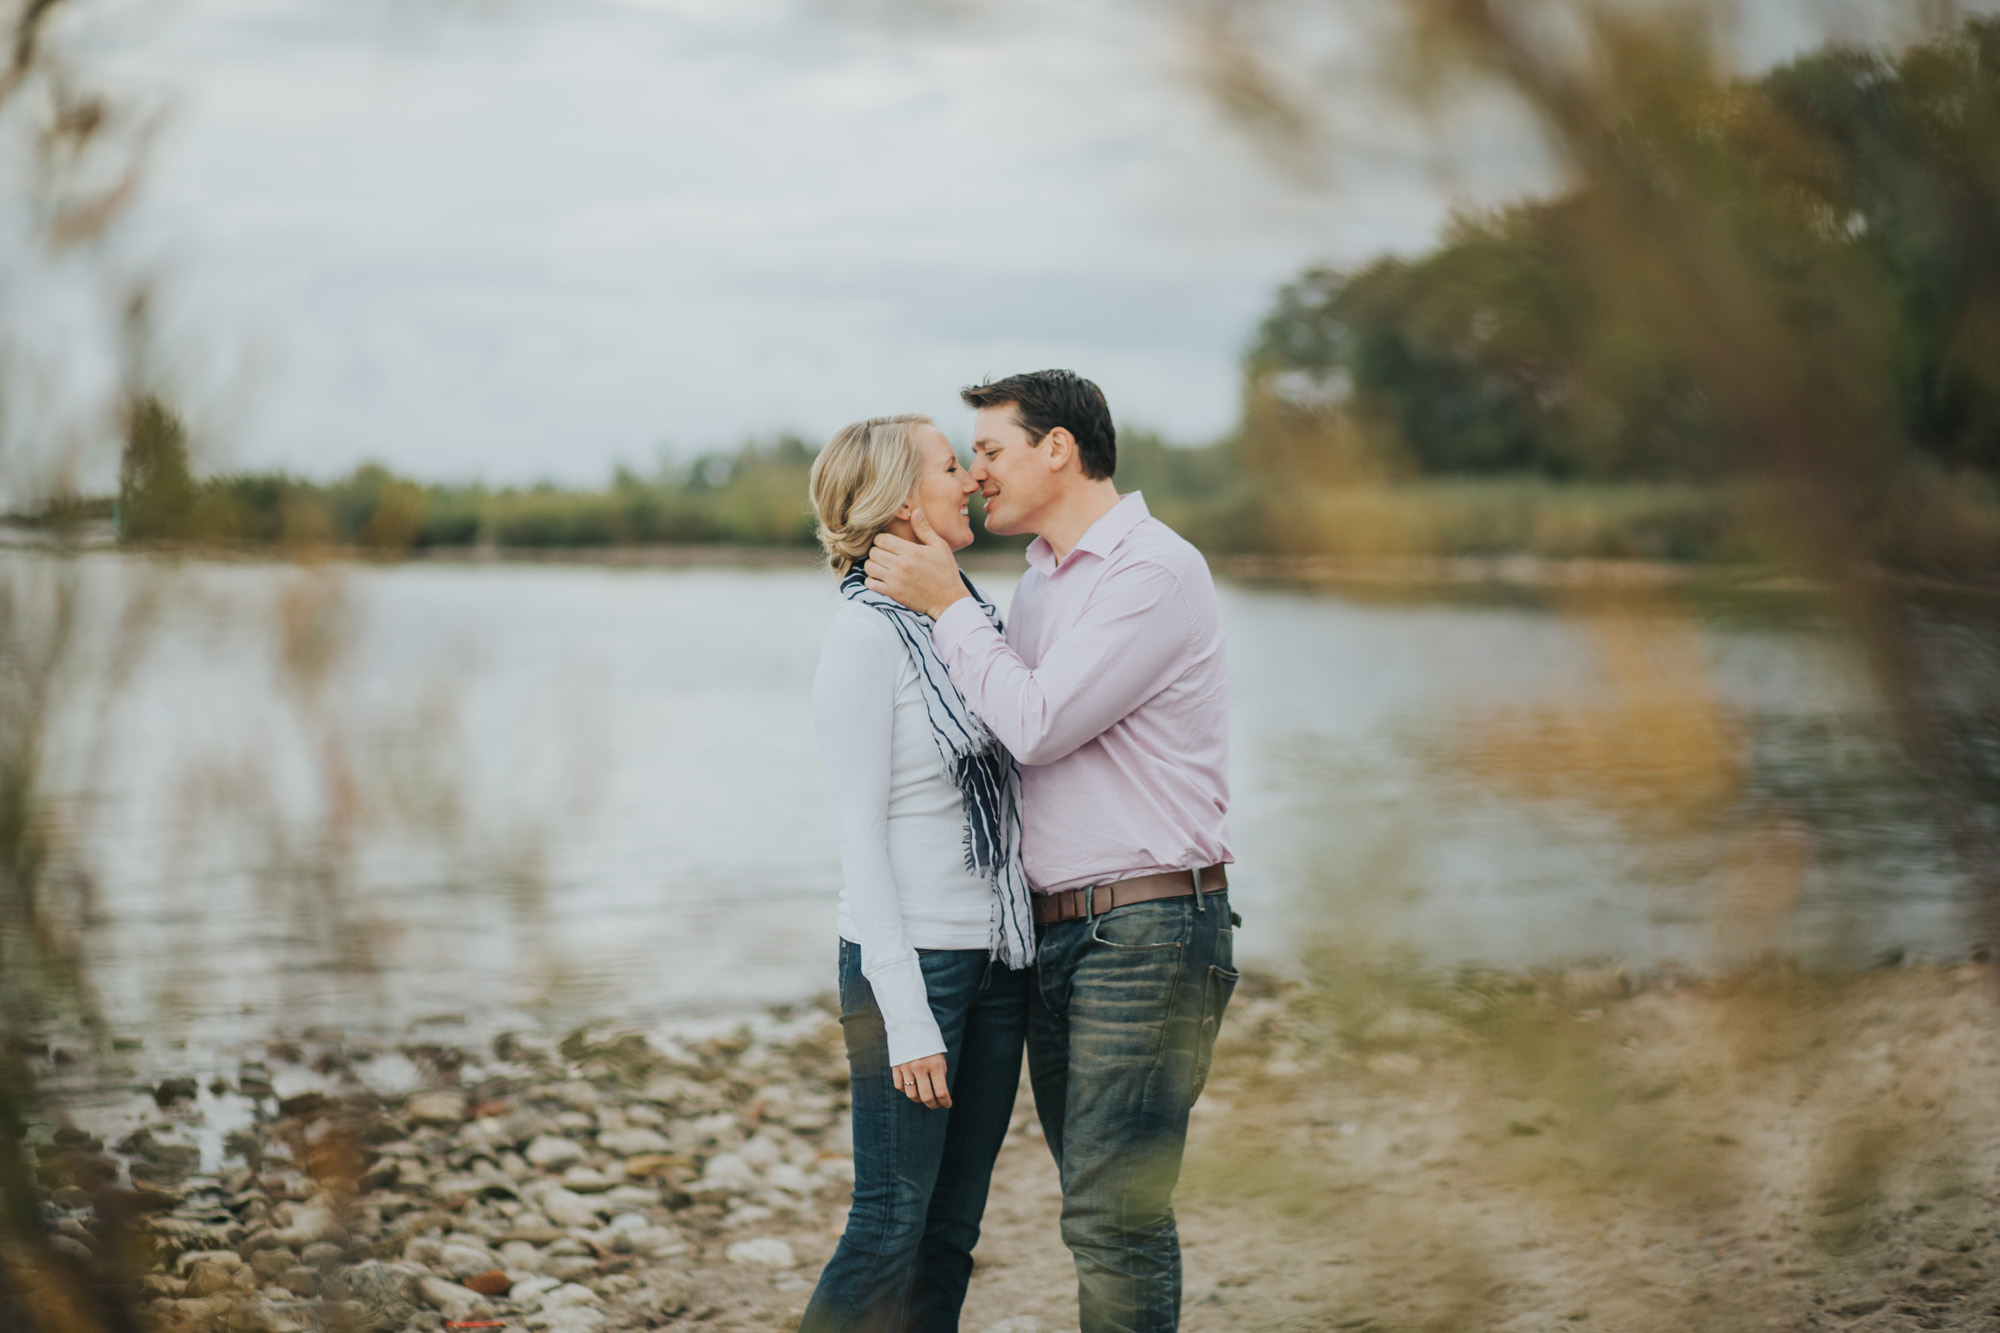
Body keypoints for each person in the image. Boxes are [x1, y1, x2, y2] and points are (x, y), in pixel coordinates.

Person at [863, 371, 1237, 1333]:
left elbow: (1035, 724)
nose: (978, 473)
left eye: (989, 450)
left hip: (1147, 927)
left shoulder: (1152, 571)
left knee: (1115, 1215)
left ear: (1058, 448)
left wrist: (948, 602)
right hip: (1055, 939)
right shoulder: (1033, 586)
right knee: (1098, 1209)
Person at [799, 413, 1036, 1333]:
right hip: (917, 969)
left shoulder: (964, 618)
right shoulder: (864, 635)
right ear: (903, 501)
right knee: (888, 1226)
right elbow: (858, 836)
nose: (973, 478)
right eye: (951, 466)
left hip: (999, 963)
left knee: (949, 1232)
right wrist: (907, 1017)